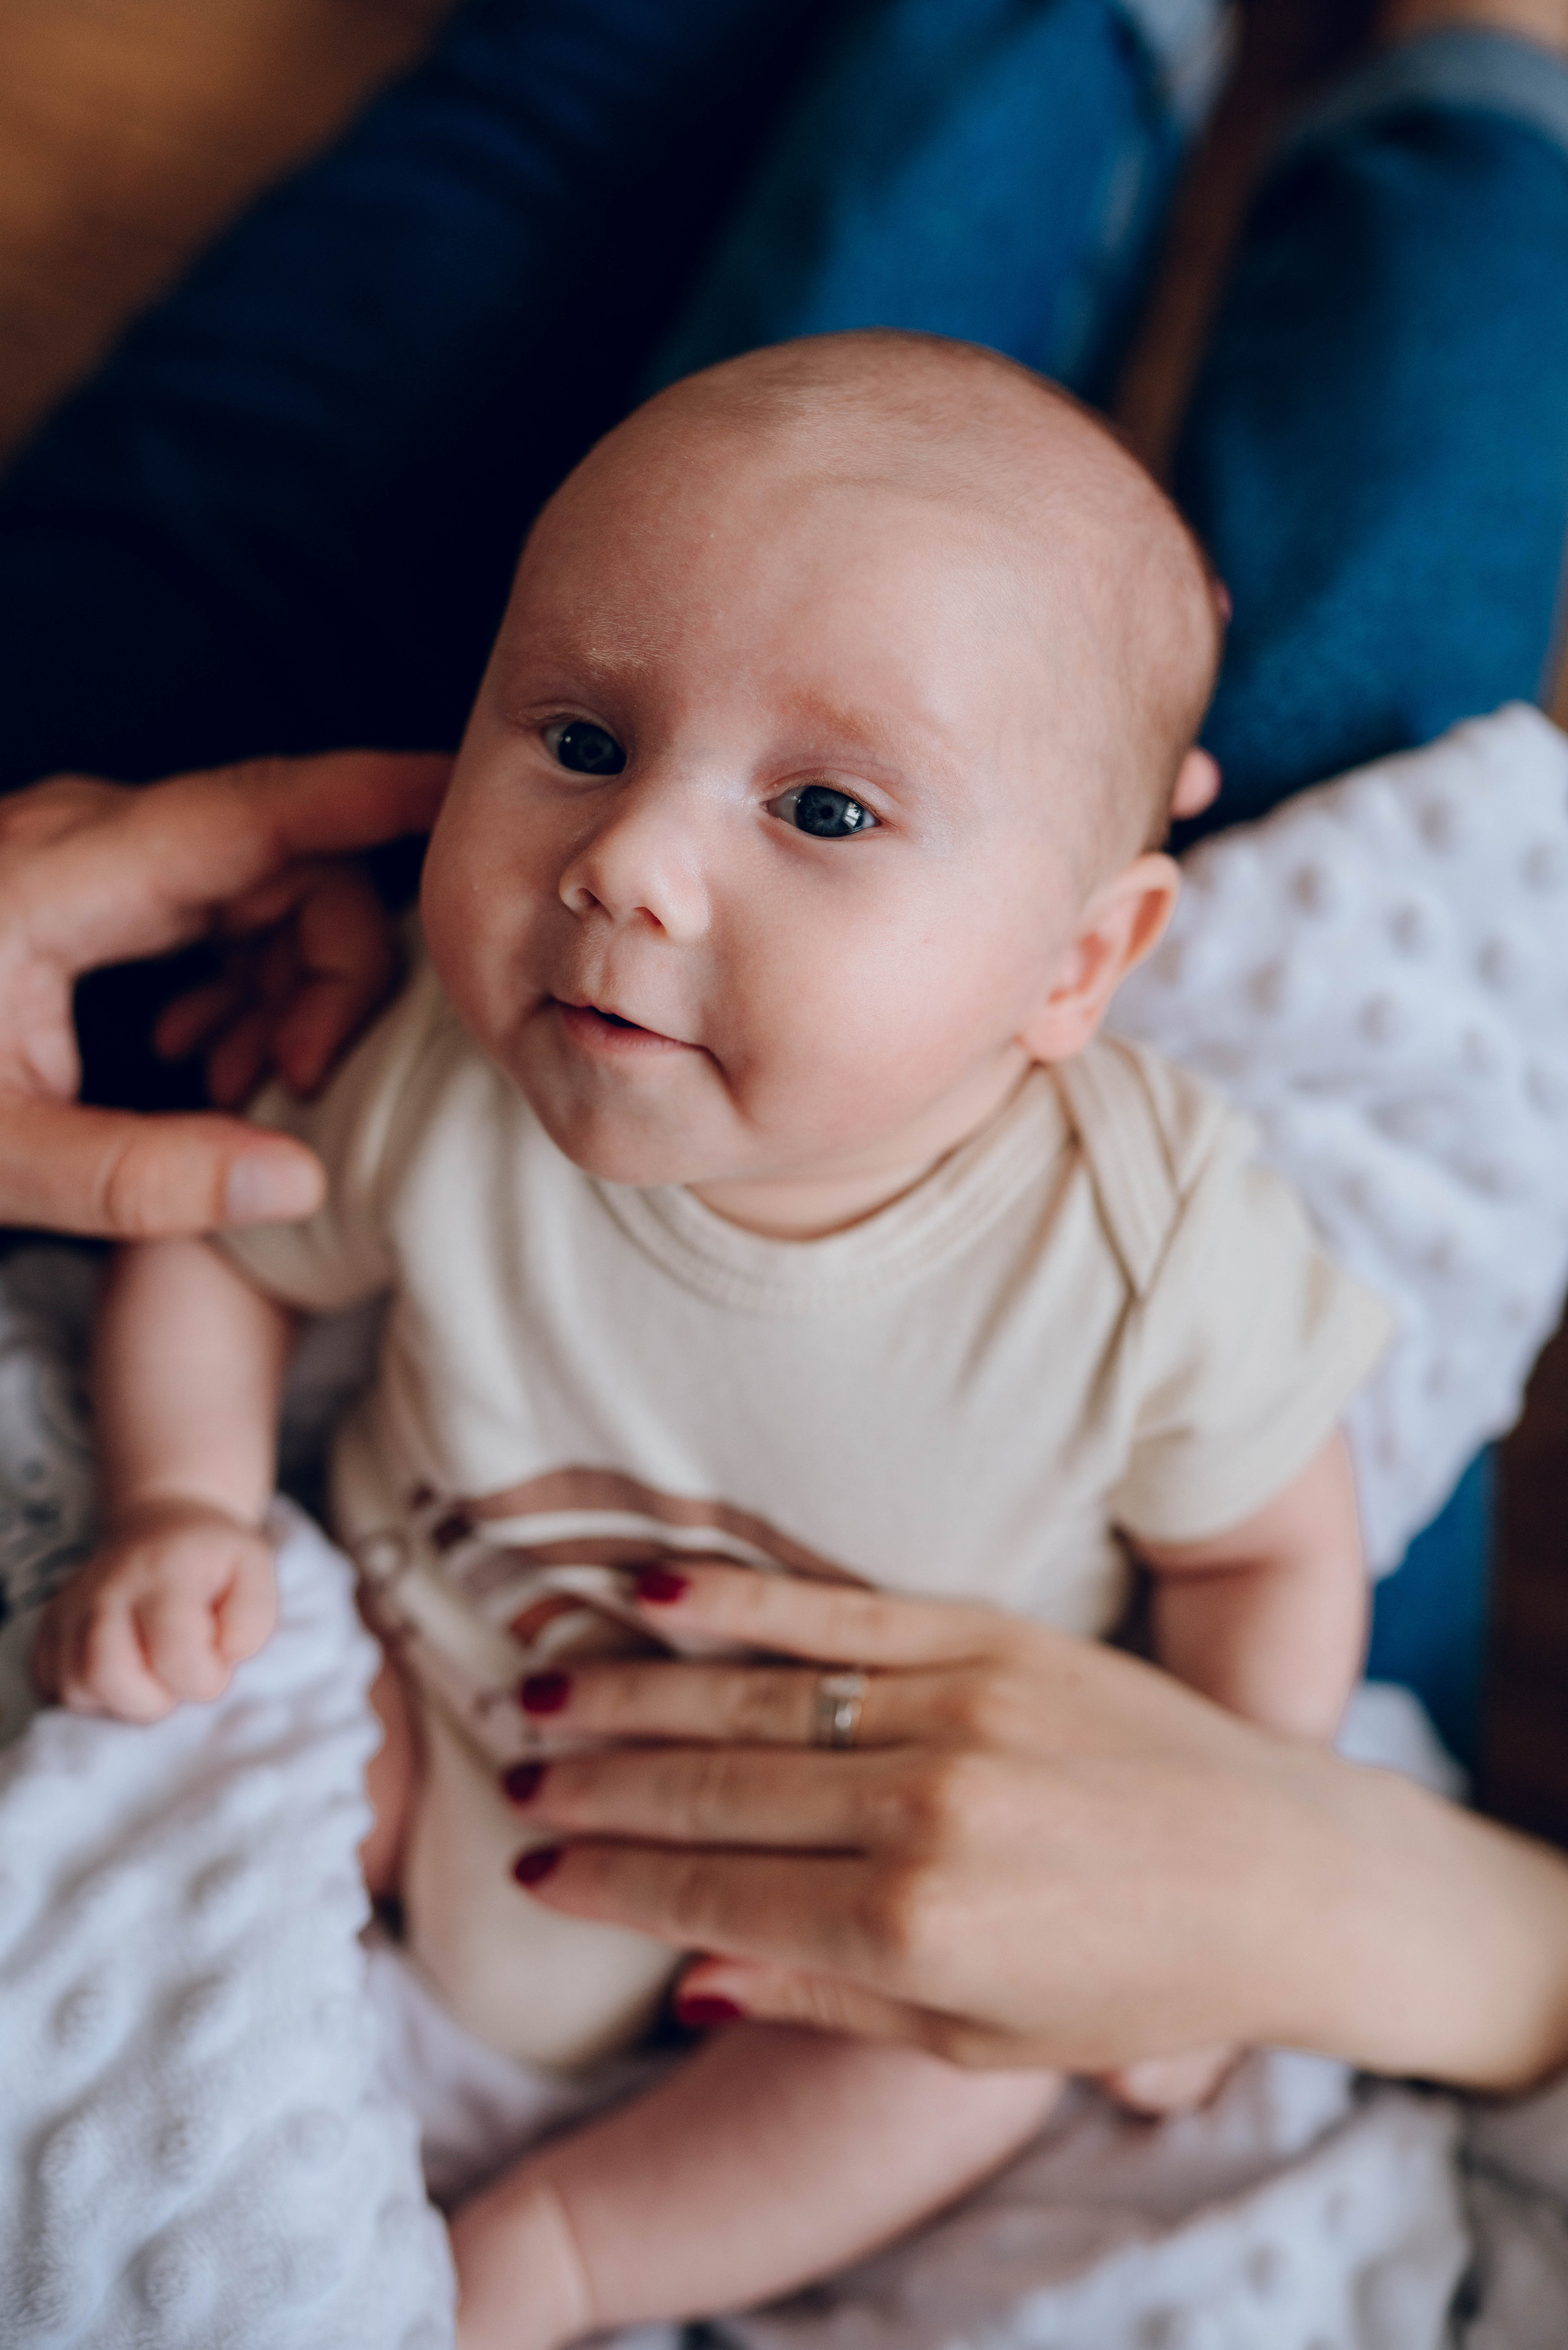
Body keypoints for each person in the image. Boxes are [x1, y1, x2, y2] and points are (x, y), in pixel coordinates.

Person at [32, 332, 1390, 2348]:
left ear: (1078, 961)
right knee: (191, 1709)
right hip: (436, 1740)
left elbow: (1269, 1552)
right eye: (576, 738)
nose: (626, 863)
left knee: (972, 2046)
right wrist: (182, 1506)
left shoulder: (1145, 1252)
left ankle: (561, 2260)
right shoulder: (454, 1078)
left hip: (848, 1883)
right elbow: (230, 1253)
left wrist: (1208, 1842)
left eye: (826, 809)